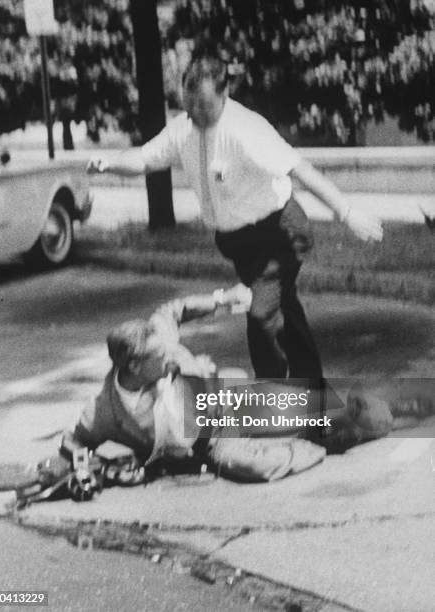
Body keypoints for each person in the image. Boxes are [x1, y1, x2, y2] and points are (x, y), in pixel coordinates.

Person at [87, 54, 383, 384]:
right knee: (284, 311)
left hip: (279, 233)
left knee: (260, 314)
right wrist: (108, 163)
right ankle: (314, 394)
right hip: (238, 243)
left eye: (204, 105)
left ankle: (272, 396)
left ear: (225, 94)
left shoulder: (246, 130)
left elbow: (301, 169)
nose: (196, 113)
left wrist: (347, 211)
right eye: (189, 104)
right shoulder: (183, 130)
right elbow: (145, 159)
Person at [60, 286, 394, 487]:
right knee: (255, 467)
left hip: (232, 401)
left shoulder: (158, 337)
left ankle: (355, 418)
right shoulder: (105, 409)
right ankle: (322, 445)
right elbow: (73, 441)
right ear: (133, 366)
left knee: (335, 412)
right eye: (160, 358)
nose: (170, 360)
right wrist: (93, 465)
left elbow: (173, 310)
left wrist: (224, 297)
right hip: (213, 442)